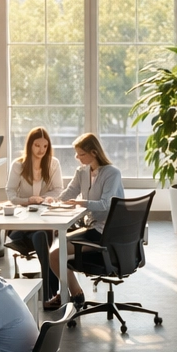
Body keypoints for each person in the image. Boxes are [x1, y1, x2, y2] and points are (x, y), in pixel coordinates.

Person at [47, 132, 125, 309]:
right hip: (91, 227)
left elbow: (105, 204)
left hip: (105, 232)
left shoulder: (112, 173)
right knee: (57, 248)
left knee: (55, 254)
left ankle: (74, 294)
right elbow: (70, 192)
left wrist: (82, 203)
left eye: (81, 154)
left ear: (94, 153)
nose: (77, 157)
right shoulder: (82, 172)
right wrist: (53, 201)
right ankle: (70, 293)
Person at [4, 127, 66, 302]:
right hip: (21, 226)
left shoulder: (53, 164)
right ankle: (51, 293)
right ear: (30, 145)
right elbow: (11, 195)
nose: (41, 150)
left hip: (43, 220)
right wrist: (28, 200)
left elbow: (58, 190)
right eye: (37, 145)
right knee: (40, 235)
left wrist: (44, 199)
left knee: (40, 234)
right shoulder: (18, 165)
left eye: (45, 146)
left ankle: (48, 294)